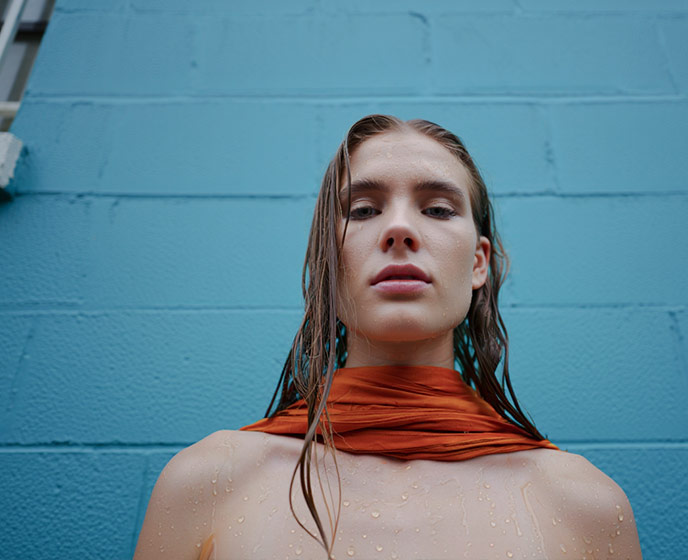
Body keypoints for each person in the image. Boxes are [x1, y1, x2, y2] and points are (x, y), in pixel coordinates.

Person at [133, 115, 643, 560]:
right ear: (328, 264)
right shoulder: (207, 481)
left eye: (438, 209)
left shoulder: (585, 504)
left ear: (479, 263)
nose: (399, 230)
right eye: (363, 210)